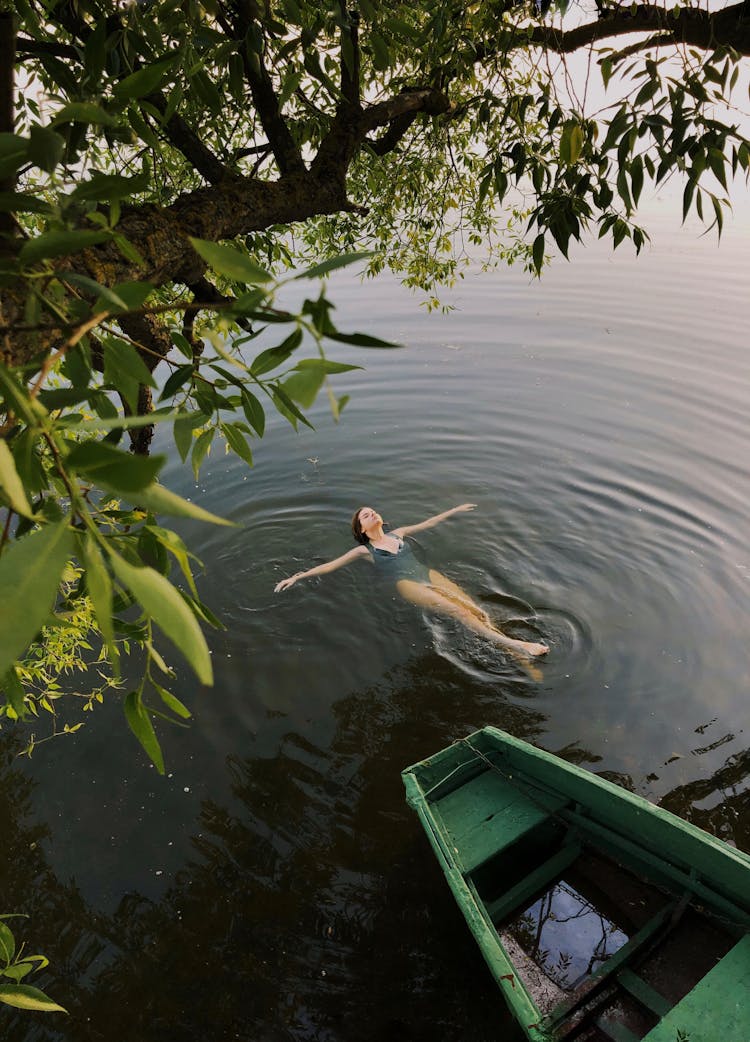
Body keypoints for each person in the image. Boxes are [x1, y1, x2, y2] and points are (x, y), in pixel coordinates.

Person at [274, 503, 549, 660]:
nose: (371, 514)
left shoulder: (399, 533)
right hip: (407, 584)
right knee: (460, 612)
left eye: (372, 511)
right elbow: (329, 566)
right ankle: (518, 646)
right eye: (364, 515)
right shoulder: (364, 551)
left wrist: (455, 510)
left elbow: (429, 523)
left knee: (475, 608)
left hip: (427, 574)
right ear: (361, 529)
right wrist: (296, 577)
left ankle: (512, 651)